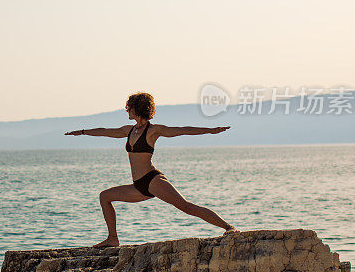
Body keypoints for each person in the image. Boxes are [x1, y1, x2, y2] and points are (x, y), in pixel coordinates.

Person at [65, 91, 238, 248]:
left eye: (129, 108)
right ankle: (112, 239)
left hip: (152, 180)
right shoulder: (129, 130)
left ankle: (228, 227)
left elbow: (182, 130)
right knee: (105, 196)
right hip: (138, 185)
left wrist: (210, 131)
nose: (127, 111)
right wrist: (82, 132)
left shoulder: (153, 131)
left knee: (185, 206)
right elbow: (105, 131)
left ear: (137, 109)